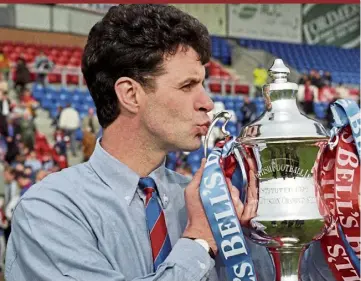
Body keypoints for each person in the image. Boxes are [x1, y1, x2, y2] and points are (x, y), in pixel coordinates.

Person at [5, 5, 335, 281]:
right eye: (187, 85)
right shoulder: (49, 211)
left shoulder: (209, 200)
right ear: (130, 94)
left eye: (203, 84)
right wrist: (200, 240)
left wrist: (327, 228)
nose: (207, 102)